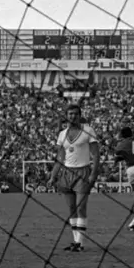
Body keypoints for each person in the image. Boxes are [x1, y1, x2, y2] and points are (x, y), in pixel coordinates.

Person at [48, 105, 100, 252]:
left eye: (75, 114)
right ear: (66, 116)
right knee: (71, 208)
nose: (73, 117)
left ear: (80, 116)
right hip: (66, 172)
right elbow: (60, 157)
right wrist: (53, 176)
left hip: (83, 172)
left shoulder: (88, 130)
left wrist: (93, 173)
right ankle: (75, 241)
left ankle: (80, 243)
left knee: (80, 207)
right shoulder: (62, 134)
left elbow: (96, 154)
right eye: (70, 114)